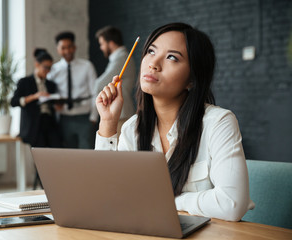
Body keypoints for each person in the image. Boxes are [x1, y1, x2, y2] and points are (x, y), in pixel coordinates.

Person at [94, 23, 254, 221]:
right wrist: (108, 123)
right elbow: (107, 197)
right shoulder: (132, 128)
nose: (154, 63)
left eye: (172, 57)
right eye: (151, 51)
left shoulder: (218, 123)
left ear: (192, 80)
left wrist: (166, 201)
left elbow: (232, 203)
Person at [11, 49, 61, 188]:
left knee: (57, 153)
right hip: (34, 126)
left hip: (49, 123)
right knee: (41, 158)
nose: (48, 71)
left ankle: (55, 185)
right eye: (46, 67)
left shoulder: (51, 84)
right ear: (36, 65)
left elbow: (54, 105)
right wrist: (34, 96)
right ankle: (46, 187)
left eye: (50, 68)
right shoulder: (25, 82)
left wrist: (57, 104)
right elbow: (14, 102)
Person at [48, 31, 97, 149]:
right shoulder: (53, 70)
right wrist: (54, 106)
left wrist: (94, 117)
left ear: (75, 47)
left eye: (70, 47)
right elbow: (50, 94)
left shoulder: (87, 66)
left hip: (85, 118)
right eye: (63, 48)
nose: (67, 51)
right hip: (64, 119)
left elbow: (95, 91)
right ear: (58, 49)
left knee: (86, 156)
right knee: (68, 157)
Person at [92, 26, 136, 135]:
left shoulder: (121, 58)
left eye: (102, 44)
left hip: (121, 113)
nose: (101, 48)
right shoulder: (120, 57)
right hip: (120, 112)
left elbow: (99, 84)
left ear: (110, 43)